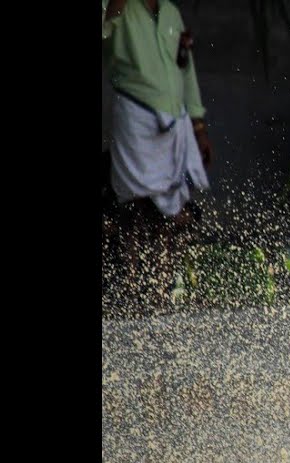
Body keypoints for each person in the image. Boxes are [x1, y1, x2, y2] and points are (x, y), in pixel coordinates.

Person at [102, 0, 212, 314]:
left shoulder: (172, 12)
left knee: (175, 209)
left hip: (174, 122)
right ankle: (131, 289)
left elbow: (184, 68)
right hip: (135, 113)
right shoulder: (121, 7)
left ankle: (162, 290)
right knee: (135, 202)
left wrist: (199, 125)